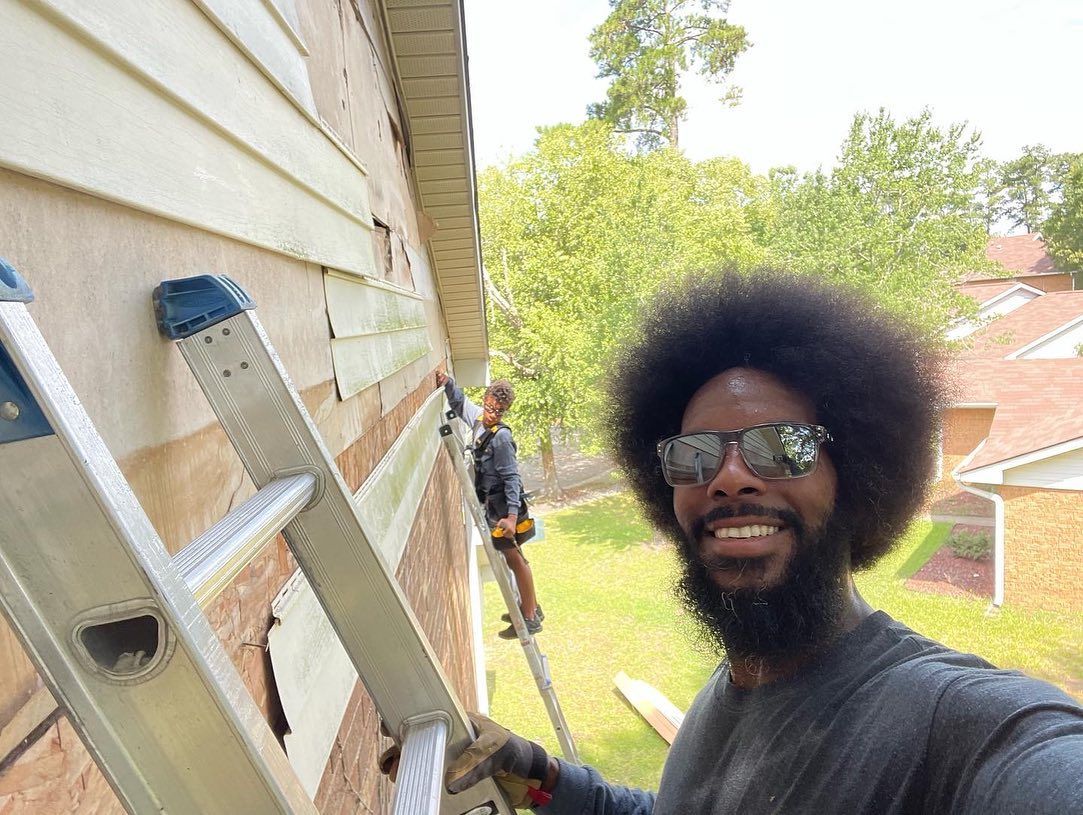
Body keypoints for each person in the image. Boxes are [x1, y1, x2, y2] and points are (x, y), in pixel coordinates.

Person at [419, 271, 1083, 813]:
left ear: (853, 474)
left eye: (782, 447)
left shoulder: (952, 725)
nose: (729, 477)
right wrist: (545, 775)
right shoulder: (737, 678)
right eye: (694, 454)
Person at [439, 370, 543, 639]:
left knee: (515, 559)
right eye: (489, 407)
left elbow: (511, 478)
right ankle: (529, 606)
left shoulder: (501, 438)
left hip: (505, 507)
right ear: (484, 400)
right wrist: (449, 382)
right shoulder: (477, 420)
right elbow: (460, 403)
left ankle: (530, 617)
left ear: (504, 411)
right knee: (514, 558)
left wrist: (510, 517)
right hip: (494, 505)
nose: (491, 413)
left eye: (498, 411)